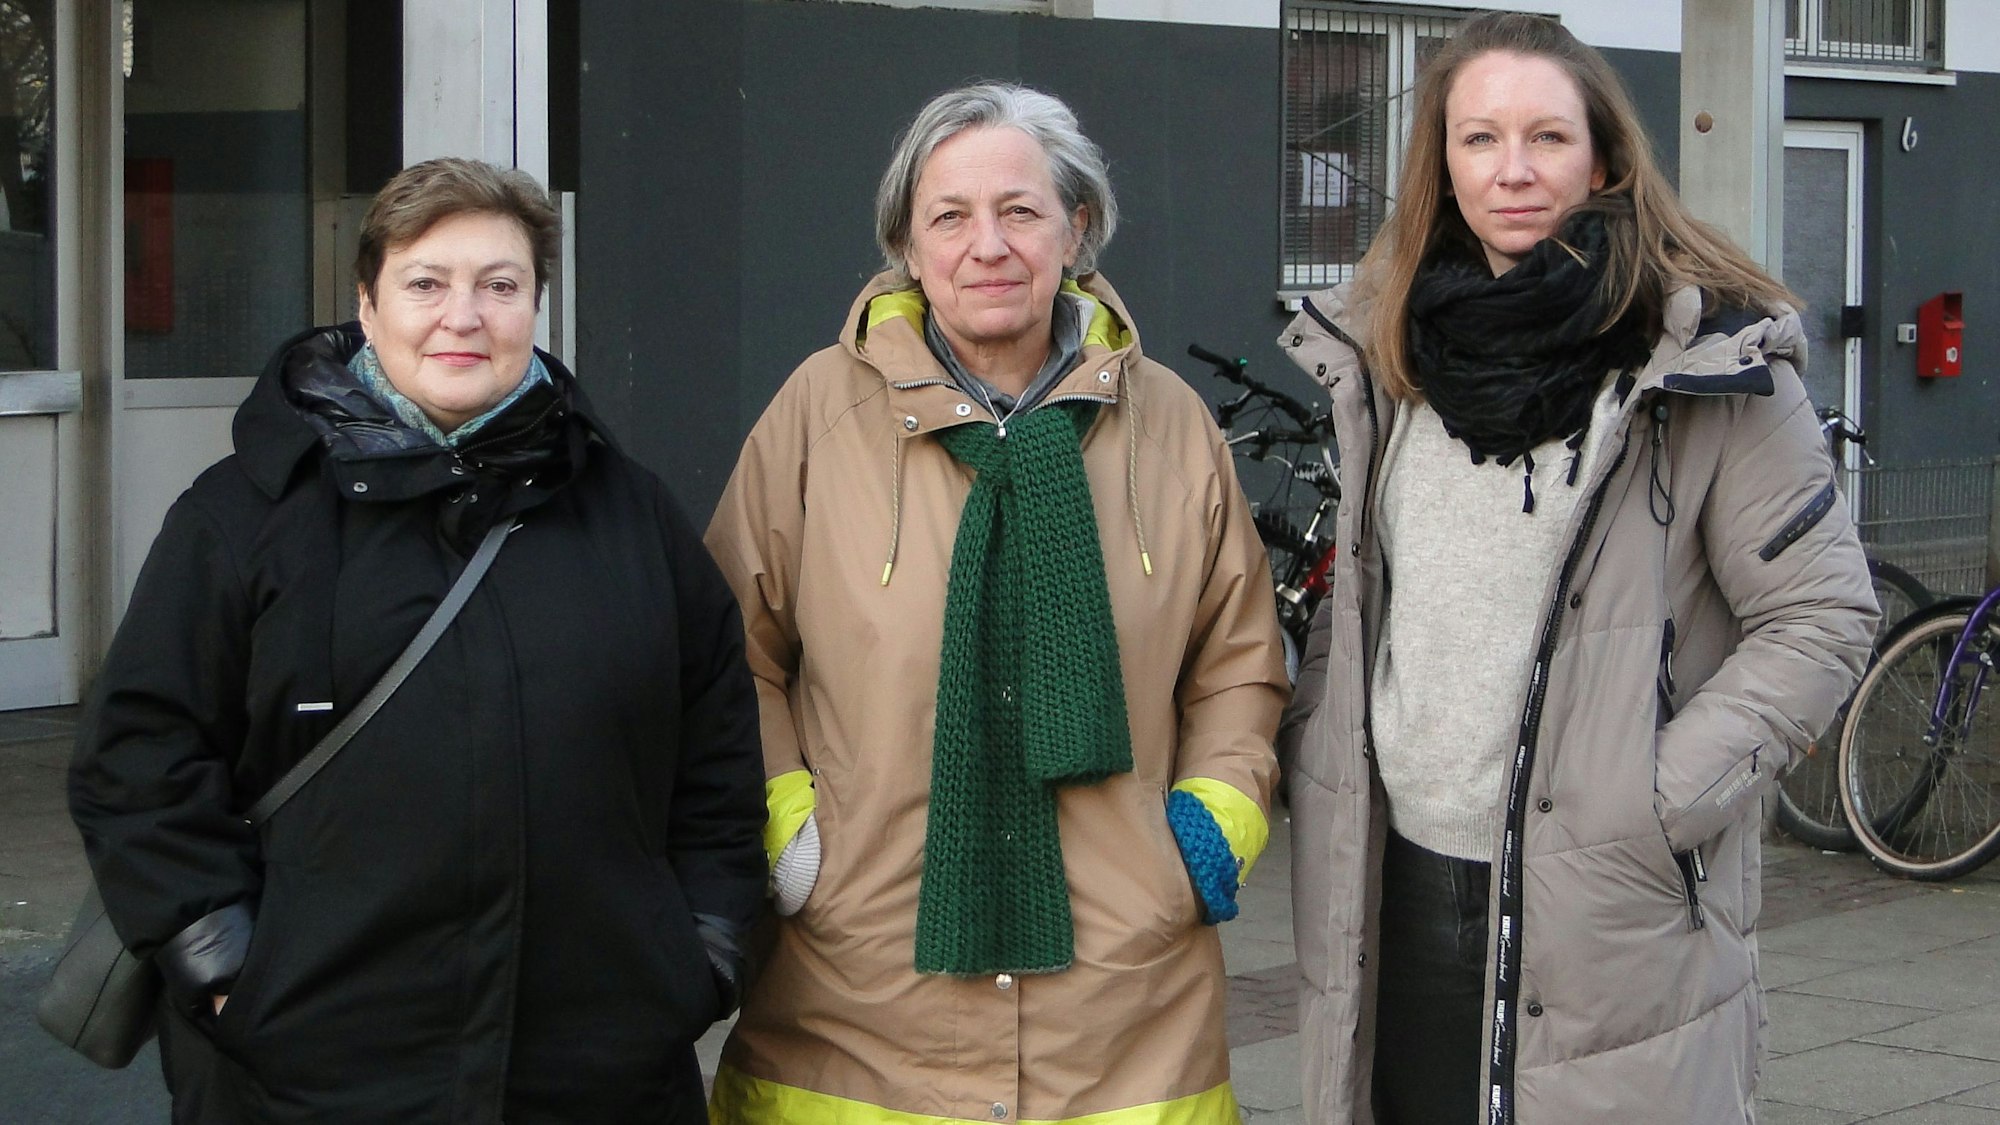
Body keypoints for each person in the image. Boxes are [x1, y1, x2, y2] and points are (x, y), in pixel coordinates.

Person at [68, 158, 765, 1123]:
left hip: (598, 1074)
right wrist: (229, 971)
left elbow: (718, 751)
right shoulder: (243, 517)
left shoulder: (632, 515)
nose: (462, 316)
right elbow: (138, 758)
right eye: (426, 282)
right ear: (368, 302)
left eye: (500, 285)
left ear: (535, 306)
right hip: (308, 1079)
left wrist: (704, 952)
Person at [1276, 14, 1876, 1125]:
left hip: (1609, 902)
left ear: (1601, 160)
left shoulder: (1705, 365)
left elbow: (1821, 617)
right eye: (1479, 138)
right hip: (1397, 887)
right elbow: (1364, 604)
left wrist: (1648, 805)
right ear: (1442, 165)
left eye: (1546, 137)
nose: (1511, 169)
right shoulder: (1394, 352)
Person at [703, 83, 1287, 1124]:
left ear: (1077, 229)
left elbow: (1237, 662)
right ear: (905, 244)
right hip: (856, 1006)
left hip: (1125, 1015)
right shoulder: (816, 416)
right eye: (950, 216)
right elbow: (723, 653)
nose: (988, 245)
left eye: (1021, 210)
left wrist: (1204, 837)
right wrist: (791, 833)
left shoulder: (1170, 426)